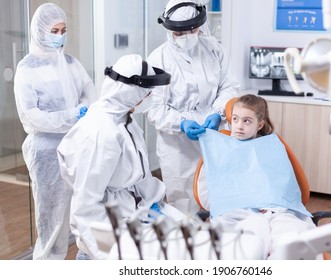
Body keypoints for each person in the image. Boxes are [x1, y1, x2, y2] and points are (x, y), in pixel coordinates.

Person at [57, 54, 185, 260]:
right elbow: (86, 208)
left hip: (131, 216)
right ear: (130, 92)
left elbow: (137, 177)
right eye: (146, 93)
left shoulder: (124, 120)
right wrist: (114, 254)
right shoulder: (101, 134)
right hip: (105, 236)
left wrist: (152, 203)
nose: (148, 98)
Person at [13, 3, 97, 260]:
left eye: (63, 30)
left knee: (78, 214)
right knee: (51, 223)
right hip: (47, 153)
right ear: (40, 31)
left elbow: (89, 90)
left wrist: (85, 107)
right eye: (55, 30)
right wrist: (69, 116)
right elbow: (31, 116)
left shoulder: (71, 62)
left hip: (75, 146)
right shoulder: (27, 69)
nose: (60, 35)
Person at [193, 94, 317, 259]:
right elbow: (213, 194)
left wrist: (270, 204)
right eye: (235, 119)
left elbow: (284, 186)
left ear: (260, 124)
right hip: (240, 213)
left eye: (246, 121)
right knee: (250, 241)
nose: (239, 126)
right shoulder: (220, 148)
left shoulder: (273, 145)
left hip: (277, 210)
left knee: (294, 239)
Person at [145, 0, 240, 215]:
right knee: (184, 204)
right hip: (177, 146)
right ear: (169, 29)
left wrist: (217, 112)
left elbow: (229, 86)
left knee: (219, 197)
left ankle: (217, 245)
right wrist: (181, 122)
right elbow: (154, 108)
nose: (187, 36)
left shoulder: (214, 49)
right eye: (180, 33)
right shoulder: (158, 59)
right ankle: (189, 247)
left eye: (192, 29)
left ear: (200, 25)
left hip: (215, 135)